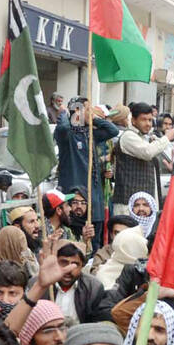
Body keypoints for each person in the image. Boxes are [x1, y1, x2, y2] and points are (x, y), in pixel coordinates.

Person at [54, 99, 118, 241]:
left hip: (94, 203)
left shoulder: (89, 134)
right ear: (77, 111)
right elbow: (63, 128)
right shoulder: (67, 135)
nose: (91, 112)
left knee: (95, 248)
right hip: (76, 203)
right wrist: (64, 113)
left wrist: (94, 119)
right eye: (88, 109)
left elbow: (113, 131)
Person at [27, 241, 113, 326]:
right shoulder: (38, 285)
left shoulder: (93, 287)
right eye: (64, 262)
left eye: (75, 264)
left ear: (82, 266)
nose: (69, 269)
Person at [111, 102, 171, 217]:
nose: (148, 124)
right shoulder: (129, 136)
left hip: (144, 207)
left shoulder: (145, 138)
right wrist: (167, 138)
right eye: (144, 120)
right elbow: (148, 152)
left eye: (150, 120)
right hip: (127, 207)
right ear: (133, 120)